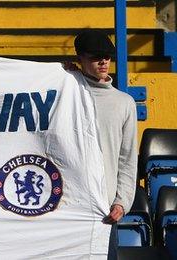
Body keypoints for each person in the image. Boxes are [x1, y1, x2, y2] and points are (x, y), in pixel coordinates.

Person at [71, 30, 138, 259]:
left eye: (107, 57)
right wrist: (59, 72)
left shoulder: (124, 102)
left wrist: (122, 203)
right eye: (95, 57)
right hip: (70, 205)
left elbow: (127, 159)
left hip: (105, 210)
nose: (103, 62)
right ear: (80, 59)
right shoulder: (67, 91)